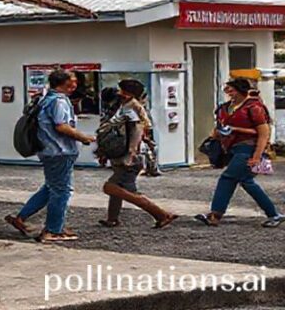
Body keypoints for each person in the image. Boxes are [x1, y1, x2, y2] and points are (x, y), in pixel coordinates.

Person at [5, 70, 96, 243]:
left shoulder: (45, 98)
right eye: (72, 81)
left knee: (50, 188)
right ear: (64, 83)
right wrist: (83, 137)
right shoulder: (59, 101)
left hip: (49, 150)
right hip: (59, 151)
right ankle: (53, 230)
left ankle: (21, 217)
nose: (75, 85)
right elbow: (61, 126)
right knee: (61, 191)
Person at [195, 77, 284, 228]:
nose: (229, 92)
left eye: (232, 90)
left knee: (228, 178)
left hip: (248, 148)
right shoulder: (226, 108)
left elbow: (263, 133)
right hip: (233, 149)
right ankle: (273, 214)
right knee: (245, 181)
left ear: (241, 90)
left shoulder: (254, 107)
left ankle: (215, 215)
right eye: (227, 90)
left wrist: (256, 157)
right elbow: (220, 126)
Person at [98, 79, 177, 228]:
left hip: (130, 157)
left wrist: (131, 153)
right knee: (118, 187)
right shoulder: (126, 106)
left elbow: (137, 130)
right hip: (125, 155)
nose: (118, 92)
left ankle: (161, 214)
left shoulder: (131, 108)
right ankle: (112, 218)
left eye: (121, 90)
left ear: (128, 93)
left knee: (116, 188)